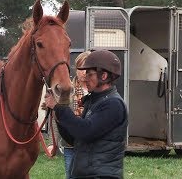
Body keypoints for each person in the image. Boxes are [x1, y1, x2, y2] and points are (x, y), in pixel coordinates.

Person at [44, 50, 128, 179]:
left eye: (90, 74)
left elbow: (85, 131)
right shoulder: (94, 100)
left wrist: (58, 108)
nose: (85, 77)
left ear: (104, 76)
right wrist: (57, 116)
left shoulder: (113, 104)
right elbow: (75, 139)